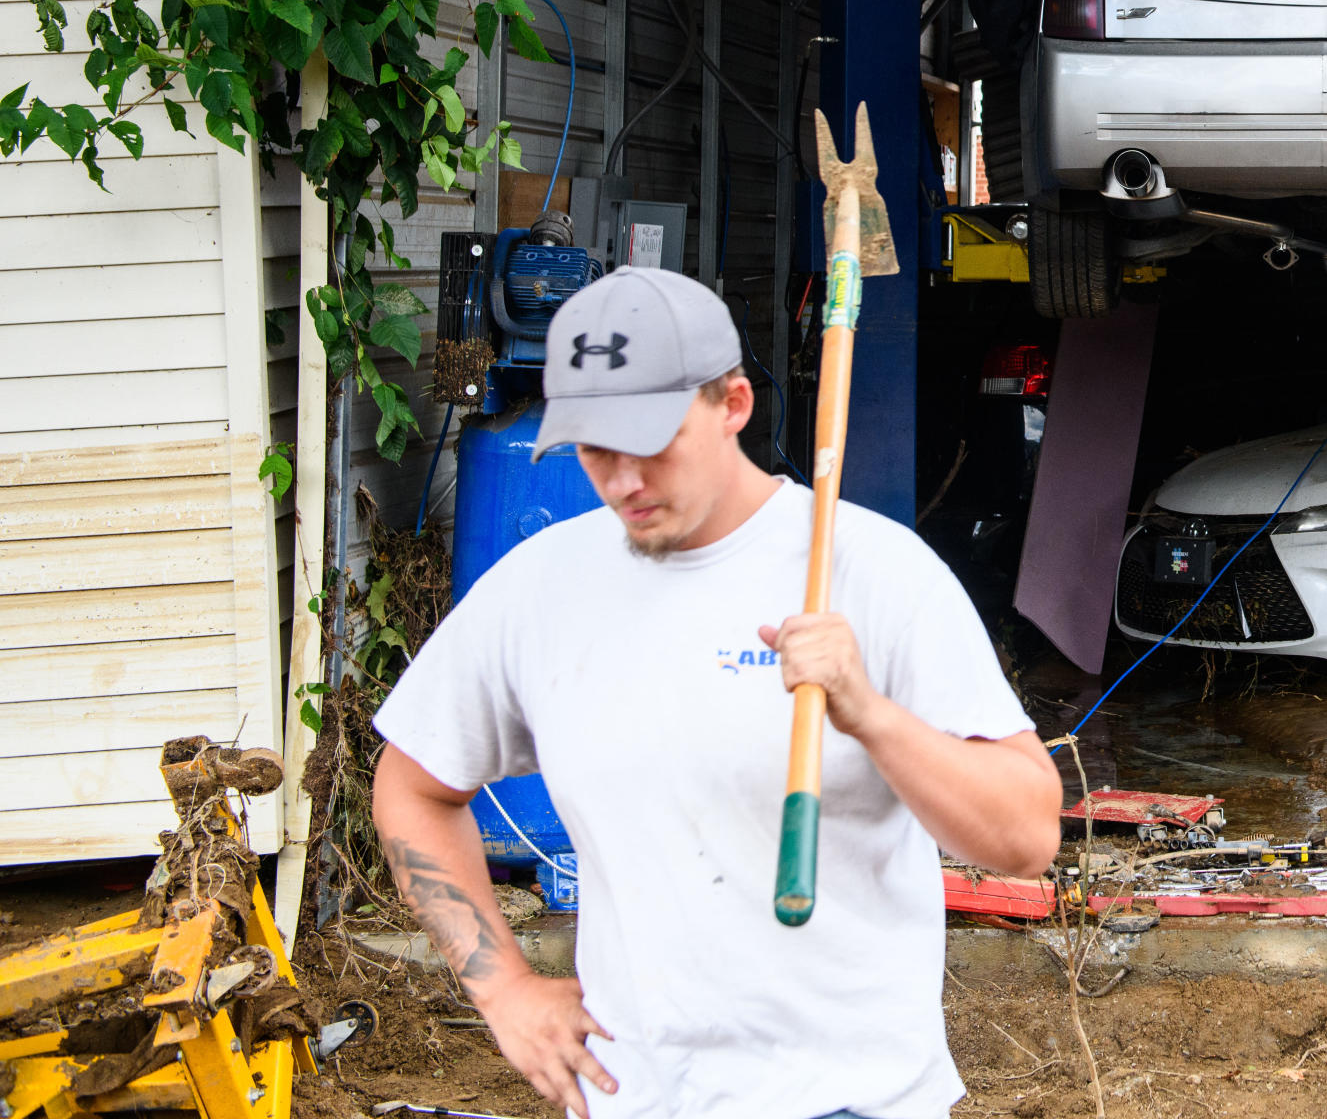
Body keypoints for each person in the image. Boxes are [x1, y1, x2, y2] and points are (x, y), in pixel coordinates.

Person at [374, 267, 1063, 1119]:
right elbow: (413, 787)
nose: (623, 479)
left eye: (650, 441)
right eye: (595, 448)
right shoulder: (541, 589)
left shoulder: (872, 573)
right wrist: (505, 988)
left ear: (733, 404)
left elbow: (1028, 833)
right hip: (638, 1098)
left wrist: (870, 716)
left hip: (849, 1099)